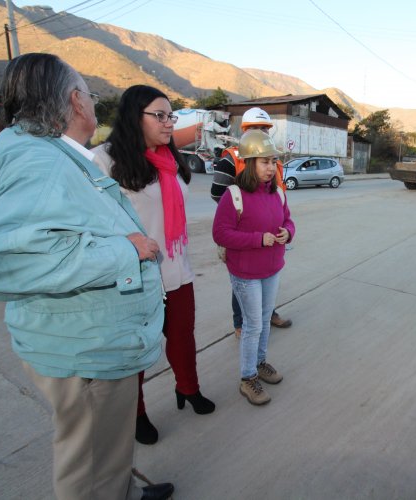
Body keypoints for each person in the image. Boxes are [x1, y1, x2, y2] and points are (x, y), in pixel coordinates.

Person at [0, 53, 173, 500]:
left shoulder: (36, 150)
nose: (93, 105)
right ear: (74, 101)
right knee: (89, 462)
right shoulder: (39, 162)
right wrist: (126, 248)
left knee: (104, 454)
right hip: (83, 350)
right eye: (90, 93)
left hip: (79, 338)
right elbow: (2, 260)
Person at [92, 85, 216, 446]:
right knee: (135, 352)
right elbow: (95, 222)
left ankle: (188, 390)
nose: (168, 122)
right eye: (159, 115)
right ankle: (137, 414)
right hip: (134, 279)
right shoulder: (103, 160)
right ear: (135, 117)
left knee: (182, 339)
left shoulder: (169, 159)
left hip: (178, 270)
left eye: (170, 116)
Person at [212, 129, 295, 405]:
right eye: (265, 162)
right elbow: (221, 234)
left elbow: (288, 220)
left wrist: (287, 233)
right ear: (249, 163)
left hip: (272, 269)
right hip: (246, 274)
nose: (271, 168)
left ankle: (260, 363)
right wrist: (259, 239)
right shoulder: (233, 195)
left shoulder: (277, 194)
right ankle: (248, 378)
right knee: (253, 325)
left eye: (274, 162)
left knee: (264, 323)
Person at [211, 107, 292, 337]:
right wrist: (240, 212)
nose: (262, 132)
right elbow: (218, 192)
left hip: (271, 230)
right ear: (245, 130)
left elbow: (278, 190)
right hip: (241, 228)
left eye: (265, 129)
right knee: (243, 280)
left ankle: (268, 314)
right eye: (256, 128)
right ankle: (240, 323)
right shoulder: (232, 158)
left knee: (267, 278)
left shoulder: (272, 158)